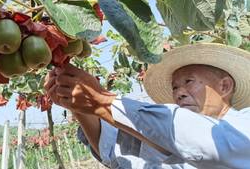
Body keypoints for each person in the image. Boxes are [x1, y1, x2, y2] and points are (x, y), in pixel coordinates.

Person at [44, 43, 250, 169]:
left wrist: (102, 99)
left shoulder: (243, 126)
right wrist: (77, 104)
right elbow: (116, 152)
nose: (179, 92)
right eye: (175, 87)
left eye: (189, 82)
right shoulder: (171, 145)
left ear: (224, 86)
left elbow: (199, 139)